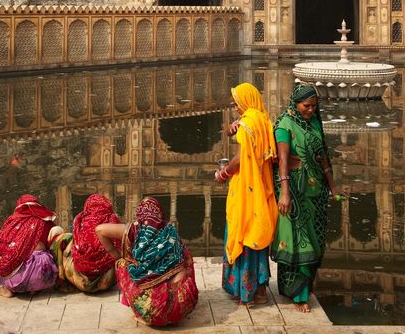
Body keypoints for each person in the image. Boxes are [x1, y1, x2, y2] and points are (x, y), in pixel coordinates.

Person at [270, 84, 342, 313]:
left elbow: (322, 156)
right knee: (299, 242)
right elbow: (282, 161)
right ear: (295, 103)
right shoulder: (285, 125)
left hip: (315, 191)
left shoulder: (313, 122)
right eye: (306, 106)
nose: (310, 110)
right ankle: (299, 295)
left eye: (313, 106)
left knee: (315, 239)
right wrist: (285, 193)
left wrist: (333, 186)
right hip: (294, 191)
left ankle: (304, 286)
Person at [216, 82, 278, 306]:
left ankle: (246, 293)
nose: (235, 107)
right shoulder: (262, 119)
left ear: (246, 101)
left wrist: (223, 173)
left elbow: (241, 159)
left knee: (242, 233)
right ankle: (260, 291)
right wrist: (234, 127)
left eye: (237, 103)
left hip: (245, 190)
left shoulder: (248, 123)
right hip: (260, 188)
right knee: (257, 235)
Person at [96, 196, 198, 326]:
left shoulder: (135, 229)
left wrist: (116, 255)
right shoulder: (169, 230)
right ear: (160, 213)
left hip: (150, 310)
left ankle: (143, 313)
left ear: (139, 213)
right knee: (184, 254)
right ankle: (172, 310)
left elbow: (99, 229)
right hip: (180, 310)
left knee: (123, 264)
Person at [0, 194, 58, 297]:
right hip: (42, 277)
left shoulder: (12, 222)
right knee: (51, 247)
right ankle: (34, 287)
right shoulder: (47, 222)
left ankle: (6, 288)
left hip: (14, 280)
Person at [49, 194, 121, 293]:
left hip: (79, 280)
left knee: (63, 239)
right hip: (106, 280)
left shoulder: (79, 219)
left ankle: (62, 277)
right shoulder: (112, 219)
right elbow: (119, 247)